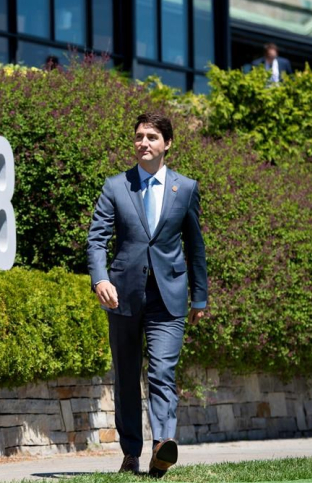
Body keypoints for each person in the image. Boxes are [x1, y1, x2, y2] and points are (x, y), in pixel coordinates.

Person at [86, 113, 208, 478]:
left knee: (163, 374)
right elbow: (96, 240)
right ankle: (130, 453)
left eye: (152, 137)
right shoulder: (115, 186)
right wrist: (99, 279)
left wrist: (199, 298)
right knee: (126, 375)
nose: (144, 143)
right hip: (122, 296)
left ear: (167, 143)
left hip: (168, 297)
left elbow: (195, 247)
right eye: (139, 136)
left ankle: (162, 446)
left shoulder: (185, 188)